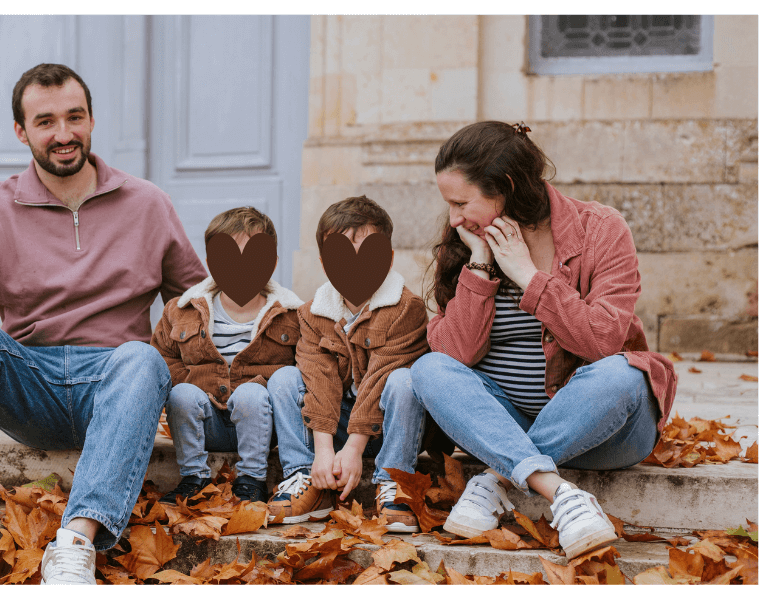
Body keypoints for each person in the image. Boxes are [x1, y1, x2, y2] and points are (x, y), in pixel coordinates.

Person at [0, 63, 207, 585]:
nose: (63, 135)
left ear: (91, 120)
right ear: (22, 131)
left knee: (142, 356)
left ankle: (75, 544)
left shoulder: (148, 204)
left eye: (75, 117)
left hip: (114, 384)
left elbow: (196, 303)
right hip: (30, 383)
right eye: (45, 122)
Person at [410, 121, 677, 559]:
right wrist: (480, 267)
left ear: (506, 187)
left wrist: (528, 277)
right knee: (428, 369)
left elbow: (604, 339)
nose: (454, 218)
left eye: (461, 202)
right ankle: (559, 492)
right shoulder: (465, 240)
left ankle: (498, 479)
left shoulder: (601, 229)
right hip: (507, 423)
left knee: (624, 373)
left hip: (604, 433)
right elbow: (454, 355)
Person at [266, 196, 430, 532]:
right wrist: (324, 450)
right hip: (337, 420)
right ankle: (307, 479)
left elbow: (380, 378)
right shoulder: (312, 313)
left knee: (404, 381)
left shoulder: (406, 308)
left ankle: (393, 482)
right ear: (326, 263)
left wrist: (354, 447)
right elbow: (319, 377)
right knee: (284, 379)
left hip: (389, 425)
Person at [151, 207, 303, 505]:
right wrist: (195, 384)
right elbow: (163, 360)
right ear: (211, 262)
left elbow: (303, 368)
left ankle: (252, 479)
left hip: (262, 423)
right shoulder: (181, 311)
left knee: (250, 394)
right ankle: (194, 477)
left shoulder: (291, 315)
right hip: (206, 423)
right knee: (181, 393)